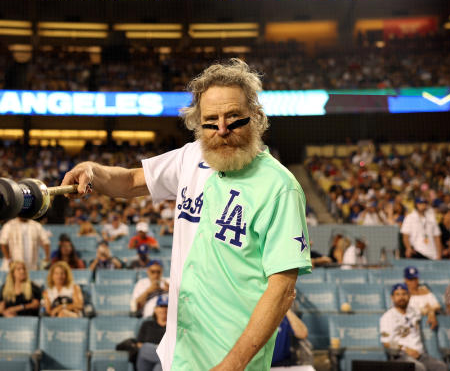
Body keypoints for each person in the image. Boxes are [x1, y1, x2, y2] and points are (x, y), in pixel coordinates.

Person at [63, 59, 311, 370]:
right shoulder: (191, 156)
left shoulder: (279, 187)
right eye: (210, 121)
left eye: (234, 118)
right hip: (178, 354)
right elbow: (128, 182)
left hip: (231, 360)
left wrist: (231, 365)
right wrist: (92, 170)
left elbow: (283, 290)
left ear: (257, 117)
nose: (222, 130)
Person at [380, 283, 447, 371]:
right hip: (400, 356)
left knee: (441, 367)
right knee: (419, 368)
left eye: (404, 294)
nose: (401, 297)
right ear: (392, 297)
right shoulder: (387, 317)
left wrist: (431, 312)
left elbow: (431, 307)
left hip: (420, 355)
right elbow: (386, 343)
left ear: (409, 296)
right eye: (398, 294)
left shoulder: (414, 311)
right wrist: (405, 349)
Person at [136, 294, 169, 371]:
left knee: (161, 365)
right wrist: (157, 348)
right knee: (145, 347)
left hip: (163, 362)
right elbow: (139, 344)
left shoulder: (174, 327)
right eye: (161, 306)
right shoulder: (147, 324)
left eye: (166, 306)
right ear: (155, 309)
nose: (164, 309)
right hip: (146, 359)